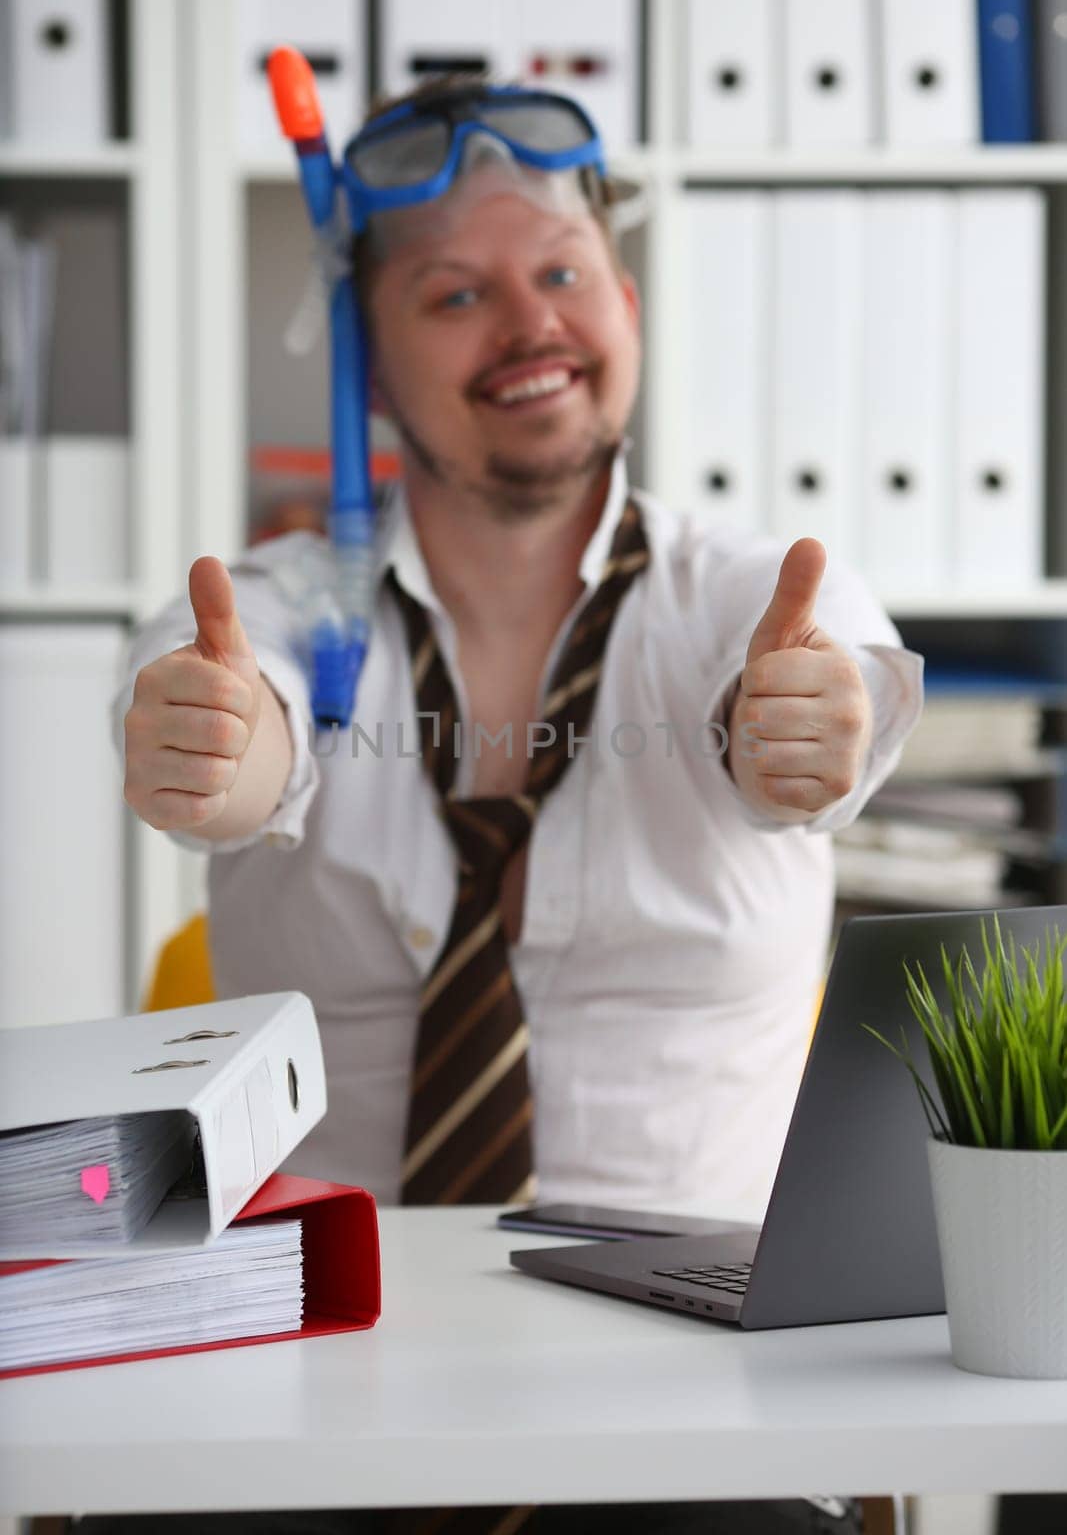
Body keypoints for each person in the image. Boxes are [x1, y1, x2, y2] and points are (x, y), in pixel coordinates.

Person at [109, 76, 923, 1535]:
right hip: (308, 1379)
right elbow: (239, 726)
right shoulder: (277, 613)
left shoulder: (755, 597)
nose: (529, 322)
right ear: (367, 357)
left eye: (559, 273)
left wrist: (799, 733)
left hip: (692, 1401)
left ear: (623, 299)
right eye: (453, 294)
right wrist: (226, 763)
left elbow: (822, 703)